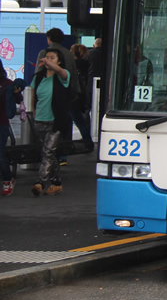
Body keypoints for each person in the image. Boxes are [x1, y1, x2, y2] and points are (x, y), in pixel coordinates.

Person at [30, 48, 72, 196]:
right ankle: (56, 183)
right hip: (40, 119)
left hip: (56, 121)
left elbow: (60, 71)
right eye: (46, 57)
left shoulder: (63, 76)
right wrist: (34, 114)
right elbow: (33, 96)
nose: (47, 60)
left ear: (59, 61)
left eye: (52, 58)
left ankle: (39, 182)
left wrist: (50, 64)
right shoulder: (39, 77)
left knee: (48, 152)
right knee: (49, 154)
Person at [69, 43, 95, 151]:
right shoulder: (86, 64)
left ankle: (87, 143)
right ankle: (88, 142)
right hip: (82, 96)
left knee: (74, 120)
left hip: (73, 96)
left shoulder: (71, 65)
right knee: (81, 121)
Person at [0, 77, 21, 196]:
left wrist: (16, 92)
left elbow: (19, 99)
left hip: (1, 124)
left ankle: (8, 180)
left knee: (0, 155)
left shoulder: (7, 83)